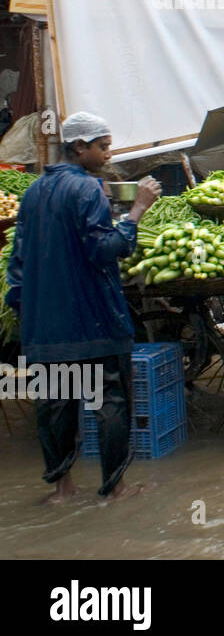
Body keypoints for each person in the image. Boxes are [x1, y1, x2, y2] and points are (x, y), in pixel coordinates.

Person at [5, 112, 162, 502]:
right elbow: (106, 250)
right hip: (93, 323)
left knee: (56, 404)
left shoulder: (33, 191)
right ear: (80, 148)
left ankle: (62, 490)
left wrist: (29, 317)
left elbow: (18, 265)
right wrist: (137, 211)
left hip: (46, 330)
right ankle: (116, 488)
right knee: (108, 401)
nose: (108, 154)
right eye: (103, 146)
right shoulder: (89, 190)